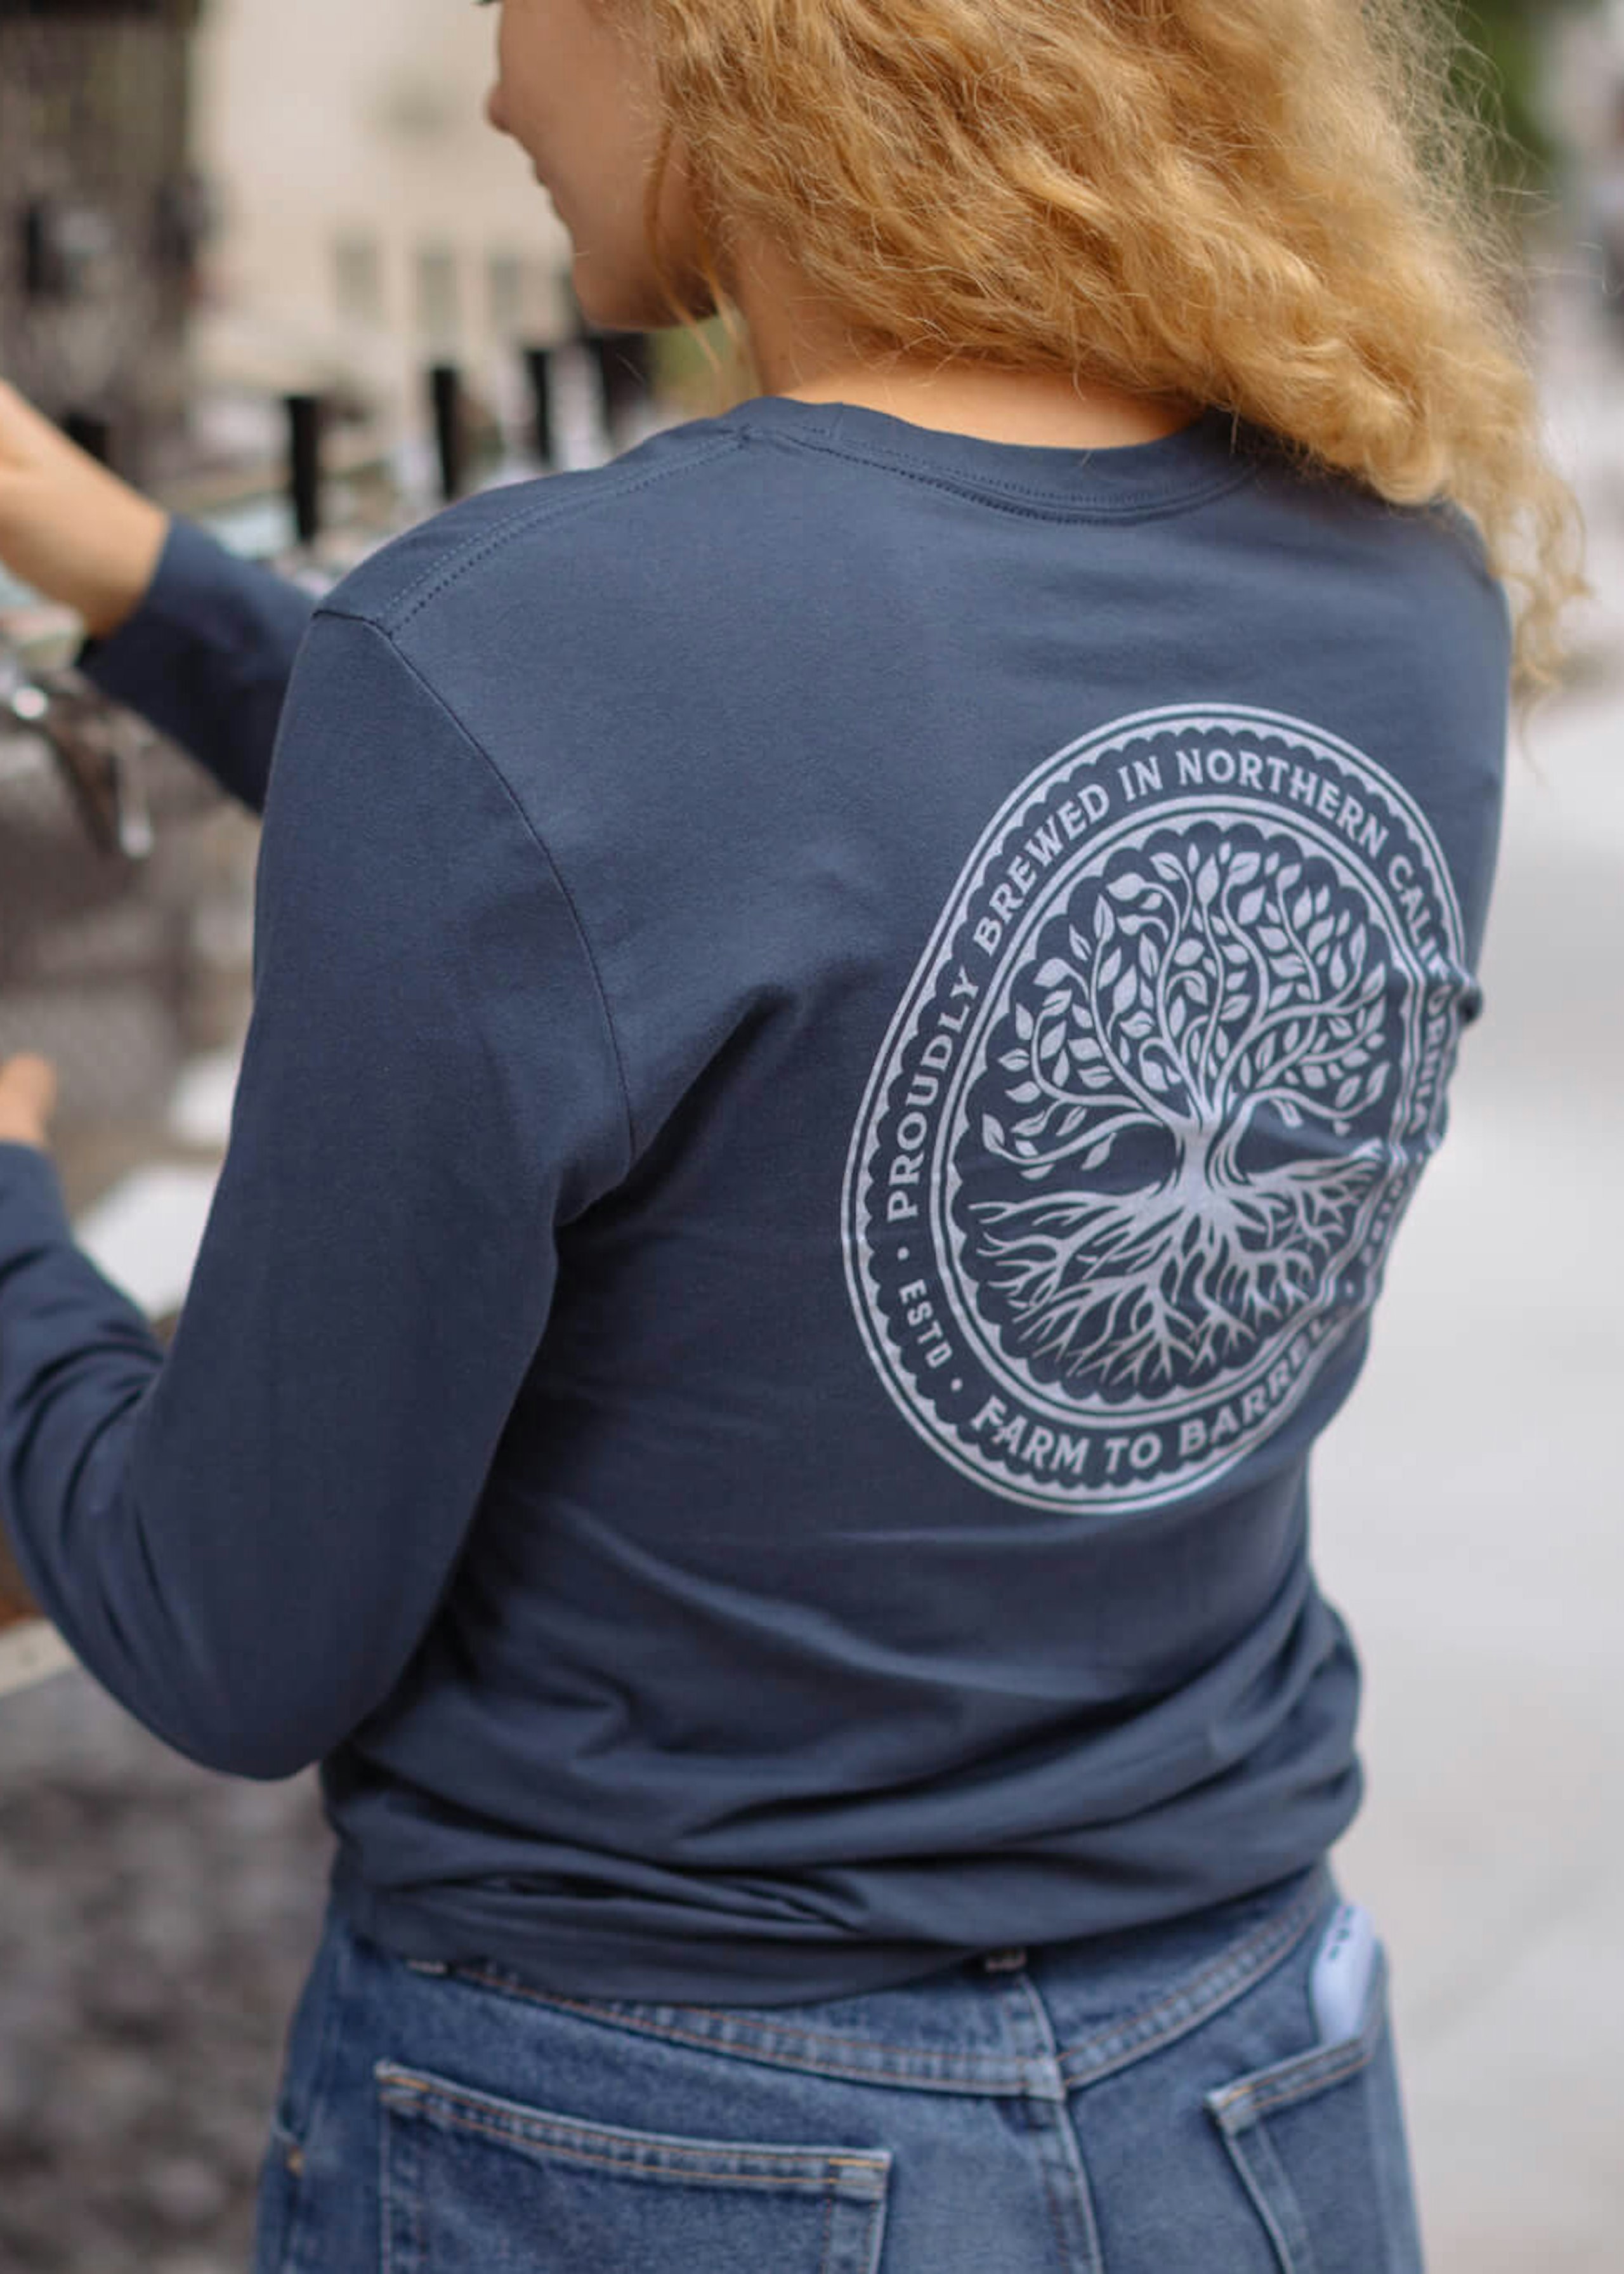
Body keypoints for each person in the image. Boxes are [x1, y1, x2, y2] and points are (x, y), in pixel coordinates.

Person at [0, 1, 1587, 2268]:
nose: (490, 92)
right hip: (1255, 2087)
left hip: (641, 2138)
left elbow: (228, 1627)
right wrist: (143, 579)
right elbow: (708, 826)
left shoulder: (528, 654)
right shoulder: (1396, 581)